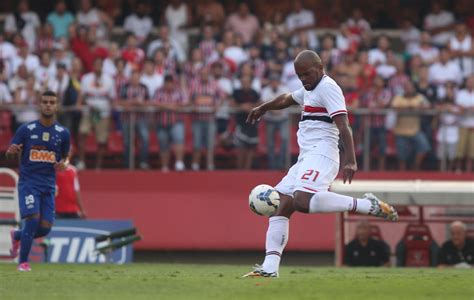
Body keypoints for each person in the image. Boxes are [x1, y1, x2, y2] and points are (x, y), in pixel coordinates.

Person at [242, 50, 398, 278]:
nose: (303, 79)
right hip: (307, 156)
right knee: (280, 205)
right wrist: (264, 107)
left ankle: (367, 205)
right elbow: (288, 98)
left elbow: (344, 126)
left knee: (302, 201)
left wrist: (351, 161)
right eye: (299, 75)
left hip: (323, 153)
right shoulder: (310, 88)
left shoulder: (328, 87)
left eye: (306, 73)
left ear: (320, 67)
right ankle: (269, 268)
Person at [6, 90, 71, 272]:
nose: (48, 105)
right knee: (33, 220)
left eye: (52, 102)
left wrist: (64, 163)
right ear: (40, 105)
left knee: (45, 229)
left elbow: (66, 156)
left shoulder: (63, 133)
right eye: (45, 102)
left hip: (48, 185)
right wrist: (12, 151)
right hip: (29, 183)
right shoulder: (26, 130)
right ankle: (23, 263)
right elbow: (10, 152)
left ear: (56, 106)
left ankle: (17, 235)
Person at [77, 58, 116, 170]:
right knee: (82, 133)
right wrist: (79, 104)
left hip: (103, 113)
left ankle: (98, 165)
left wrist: (111, 112)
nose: (98, 67)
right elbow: (82, 95)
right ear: (93, 66)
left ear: (102, 66)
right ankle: (81, 162)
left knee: (101, 140)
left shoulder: (109, 80)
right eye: (96, 65)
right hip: (89, 112)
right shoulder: (86, 78)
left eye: (100, 65)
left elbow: (112, 98)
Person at [391, 81, 431, 171]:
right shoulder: (398, 97)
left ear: (413, 88)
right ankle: (402, 172)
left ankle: (415, 167)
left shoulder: (419, 97)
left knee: (424, 147)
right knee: (401, 155)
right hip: (401, 130)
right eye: (406, 87)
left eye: (410, 87)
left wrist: (420, 108)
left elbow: (428, 106)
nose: (408, 89)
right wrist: (409, 108)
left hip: (415, 130)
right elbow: (394, 107)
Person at [152, 75, 188, 172]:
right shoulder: (158, 91)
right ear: (164, 83)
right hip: (161, 122)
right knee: (163, 144)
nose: (168, 84)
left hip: (176, 121)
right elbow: (154, 103)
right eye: (166, 82)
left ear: (173, 83)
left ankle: (179, 163)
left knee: (179, 140)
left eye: (170, 82)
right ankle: (164, 166)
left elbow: (184, 103)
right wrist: (171, 106)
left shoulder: (179, 91)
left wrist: (165, 106)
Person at [261, 73, 289, 170]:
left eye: (276, 81)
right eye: (272, 81)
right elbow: (264, 103)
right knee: (270, 143)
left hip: (283, 119)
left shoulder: (284, 89)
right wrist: (275, 110)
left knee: (285, 139)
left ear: (279, 82)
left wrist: (277, 109)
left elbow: (288, 101)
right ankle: (272, 165)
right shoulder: (265, 91)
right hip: (270, 119)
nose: (274, 83)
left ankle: (281, 163)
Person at [233, 75, 260, 169]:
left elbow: (259, 103)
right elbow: (231, 103)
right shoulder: (236, 92)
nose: (245, 84)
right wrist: (241, 106)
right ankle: (239, 170)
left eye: (247, 82)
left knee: (250, 148)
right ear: (241, 83)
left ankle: (247, 170)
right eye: (244, 82)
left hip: (252, 124)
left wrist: (250, 106)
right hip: (240, 123)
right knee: (240, 148)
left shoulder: (254, 93)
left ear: (250, 83)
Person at [455, 75, 474, 173]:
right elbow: (459, 107)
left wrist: (466, 108)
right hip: (463, 125)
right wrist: (468, 109)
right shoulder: (461, 93)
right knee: (460, 149)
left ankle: (469, 171)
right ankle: (458, 169)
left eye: (472, 81)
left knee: (472, 151)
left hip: (473, 126)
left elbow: (464, 108)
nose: (470, 83)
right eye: (469, 81)